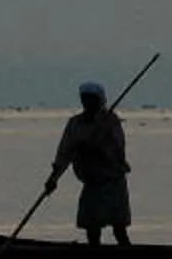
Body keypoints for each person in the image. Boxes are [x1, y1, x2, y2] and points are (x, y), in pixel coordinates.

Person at [46, 80, 132, 246]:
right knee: (92, 227)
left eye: (91, 99)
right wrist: (53, 178)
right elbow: (64, 152)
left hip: (112, 181)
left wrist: (98, 147)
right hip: (91, 183)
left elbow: (118, 150)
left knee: (119, 228)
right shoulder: (75, 124)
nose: (87, 102)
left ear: (100, 100)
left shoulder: (110, 121)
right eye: (84, 99)